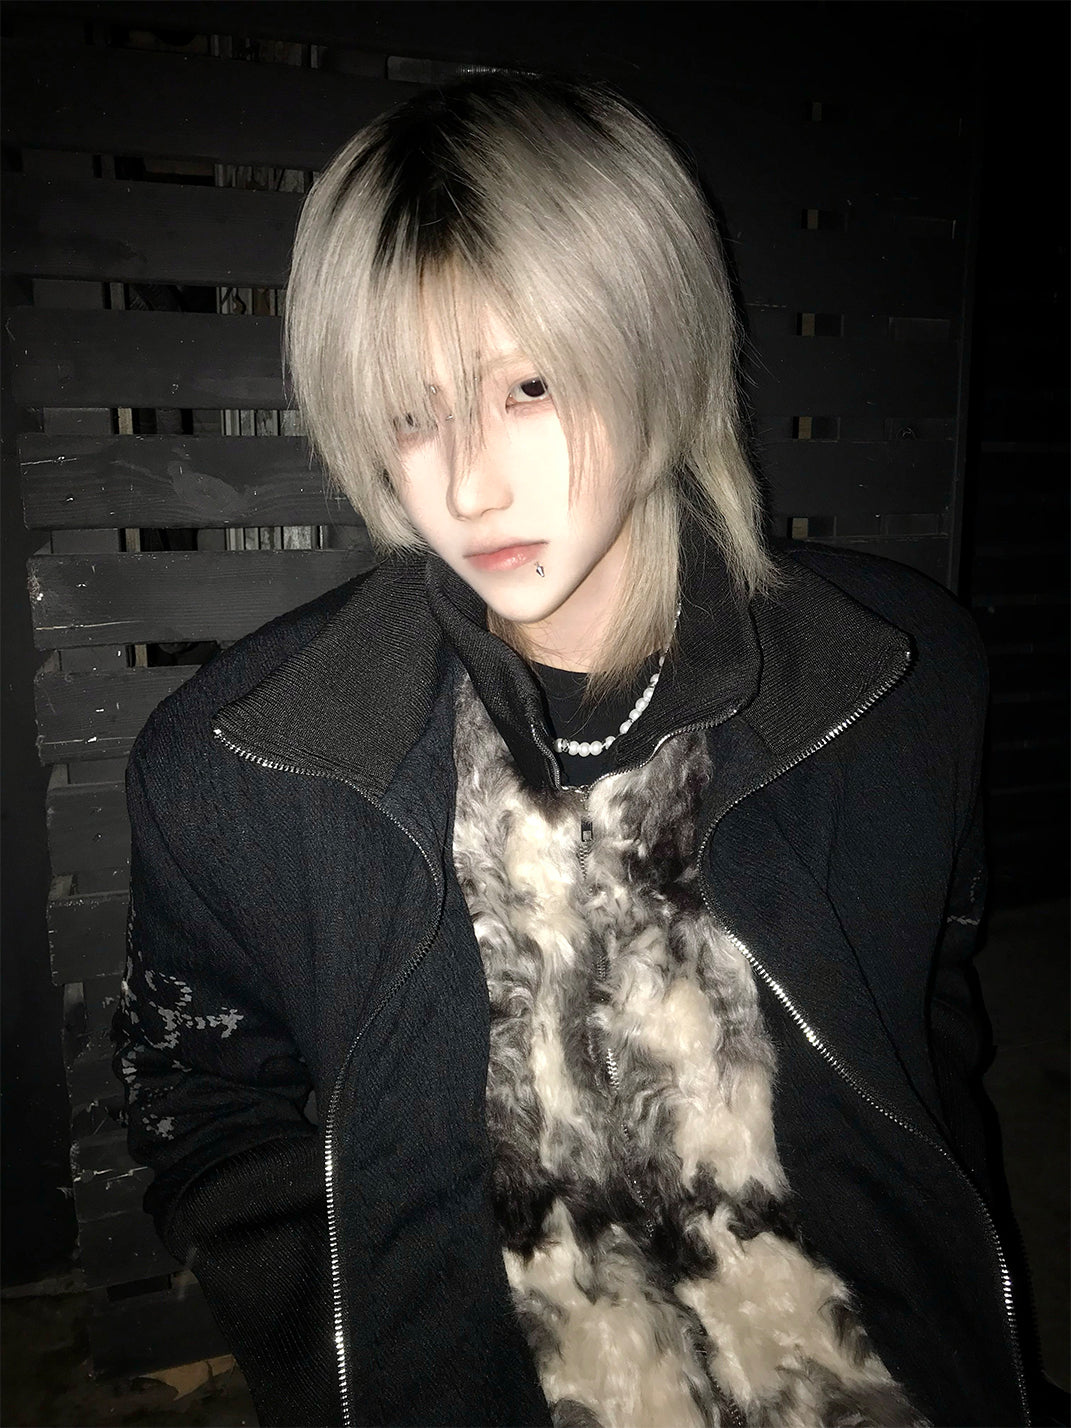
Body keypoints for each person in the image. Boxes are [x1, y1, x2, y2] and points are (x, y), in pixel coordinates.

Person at [113, 74, 1033, 1428]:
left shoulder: (905, 684)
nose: (466, 484)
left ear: (657, 340)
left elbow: (929, 1013)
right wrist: (341, 1345)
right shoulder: (233, 769)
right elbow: (196, 1089)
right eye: (412, 412)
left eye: (529, 386)